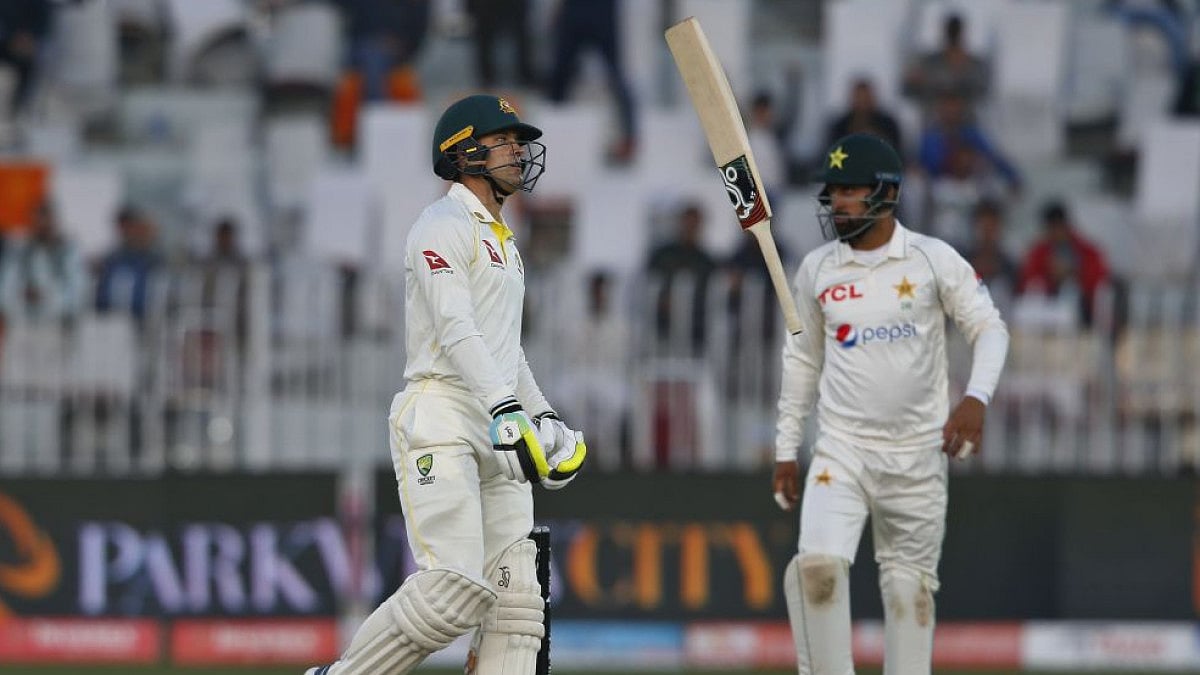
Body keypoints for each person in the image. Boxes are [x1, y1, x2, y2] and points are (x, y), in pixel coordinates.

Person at [305, 94, 587, 675]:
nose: (518, 149)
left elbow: (506, 351)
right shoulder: (440, 224)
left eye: (519, 139)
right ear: (463, 152)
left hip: (498, 423)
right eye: (504, 138)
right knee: (456, 589)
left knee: (517, 609)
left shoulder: (504, 241)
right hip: (443, 414)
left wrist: (543, 417)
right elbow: (456, 331)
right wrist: (508, 411)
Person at [773, 133, 1009, 674]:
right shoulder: (817, 270)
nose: (838, 204)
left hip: (919, 456)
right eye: (832, 192)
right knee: (818, 570)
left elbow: (989, 327)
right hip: (842, 450)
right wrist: (787, 448)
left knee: (910, 596)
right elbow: (802, 363)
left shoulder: (932, 259)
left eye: (850, 190)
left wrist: (976, 398)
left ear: (887, 193)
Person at [1017, 200, 1111, 325]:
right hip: (1046, 312)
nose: (1057, 233)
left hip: (1082, 313)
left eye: (1059, 227)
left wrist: (1074, 273)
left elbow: (1100, 281)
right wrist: (1050, 276)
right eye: (1052, 229)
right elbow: (1027, 284)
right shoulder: (1038, 253)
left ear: (1066, 226)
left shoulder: (1087, 252)